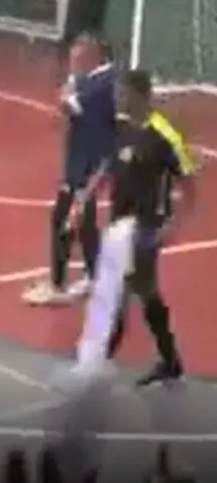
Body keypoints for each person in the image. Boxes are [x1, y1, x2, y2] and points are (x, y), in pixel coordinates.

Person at [64, 69, 196, 387]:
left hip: (147, 224)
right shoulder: (121, 127)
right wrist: (84, 197)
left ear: (139, 94)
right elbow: (108, 165)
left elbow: (190, 186)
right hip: (119, 223)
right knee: (129, 287)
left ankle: (111, 355)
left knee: (132, 286)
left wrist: (173, 226)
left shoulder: (164, 136)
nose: (118, 98)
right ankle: (166, 358)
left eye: (122, 93)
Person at [23, 33, 116, 305]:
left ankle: (57, 284)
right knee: (83, 222)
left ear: (93, 56)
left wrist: (68, 90)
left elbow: (64, 105)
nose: (72, 65)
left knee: (63, 217)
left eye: (76, 59)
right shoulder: (93, 79)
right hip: (82, 160)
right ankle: (95, 274)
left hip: (90, 163)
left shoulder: (100, 84)